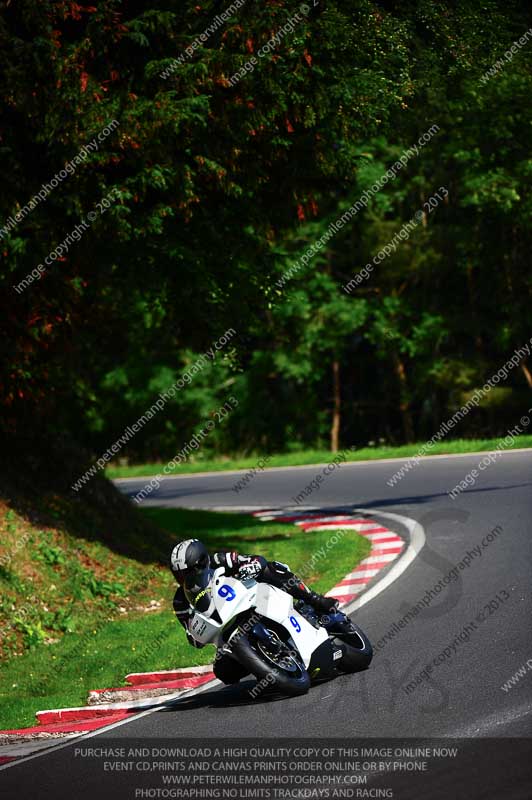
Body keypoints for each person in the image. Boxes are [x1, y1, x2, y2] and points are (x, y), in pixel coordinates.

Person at [170, 538, 339, 685]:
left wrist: (251, 566)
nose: (184, 579)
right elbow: (191, 634)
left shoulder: (220, 560)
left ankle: (315, 599)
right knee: (224, 672)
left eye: (187, 573)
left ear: (201, 563)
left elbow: (257, 560)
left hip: (251, 599)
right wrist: (195, 634)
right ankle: (266, 668)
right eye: (179, 575)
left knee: (271, 569)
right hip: (225, 632)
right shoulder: (180, 601)